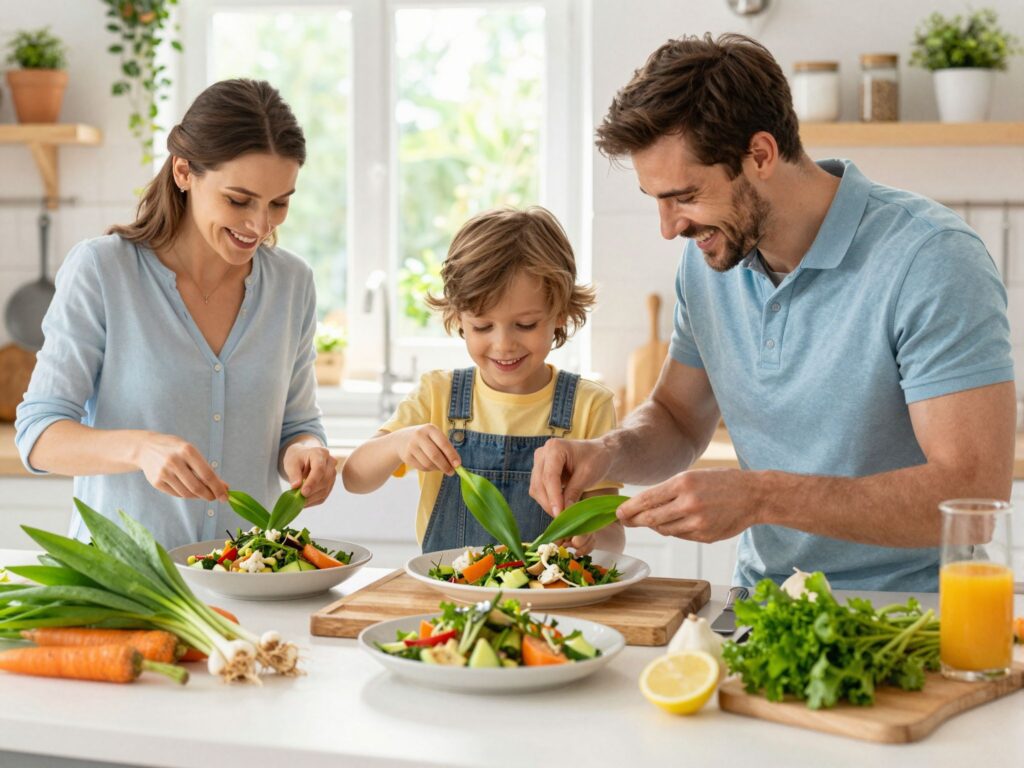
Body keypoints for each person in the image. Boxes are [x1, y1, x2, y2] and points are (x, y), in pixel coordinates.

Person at [529, 34, 1015, 591]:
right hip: (765, 604)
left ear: (760, 154)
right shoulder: (708, 260)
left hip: (909, 615)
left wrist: (761, 496)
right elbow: (678, 418)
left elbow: (974, 495)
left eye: (684, 196)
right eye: (655, 200)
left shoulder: (930, 257)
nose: (669, 228)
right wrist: (605, 453)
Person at [15, 79, 336, 549]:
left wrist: (307, 452)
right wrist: (140, 448)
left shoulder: (292, 283)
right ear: (184, 172)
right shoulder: (104, 270)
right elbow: (39, 434)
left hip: (246, 574)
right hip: (123, 581)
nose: (260, 226)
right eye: (238, 199)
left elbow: (296, 423)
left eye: (279, 203)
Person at [342, 206, 625, 554]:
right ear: (458, 317)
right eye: (482, 326)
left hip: (547, 596)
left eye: (525, 325)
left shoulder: (589, 405)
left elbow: (610, 523)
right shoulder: (438, 394)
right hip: (450, 595)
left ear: (560, 315)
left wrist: (590, 538)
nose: (504, 344)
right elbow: (354, 477)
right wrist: (398, 444)